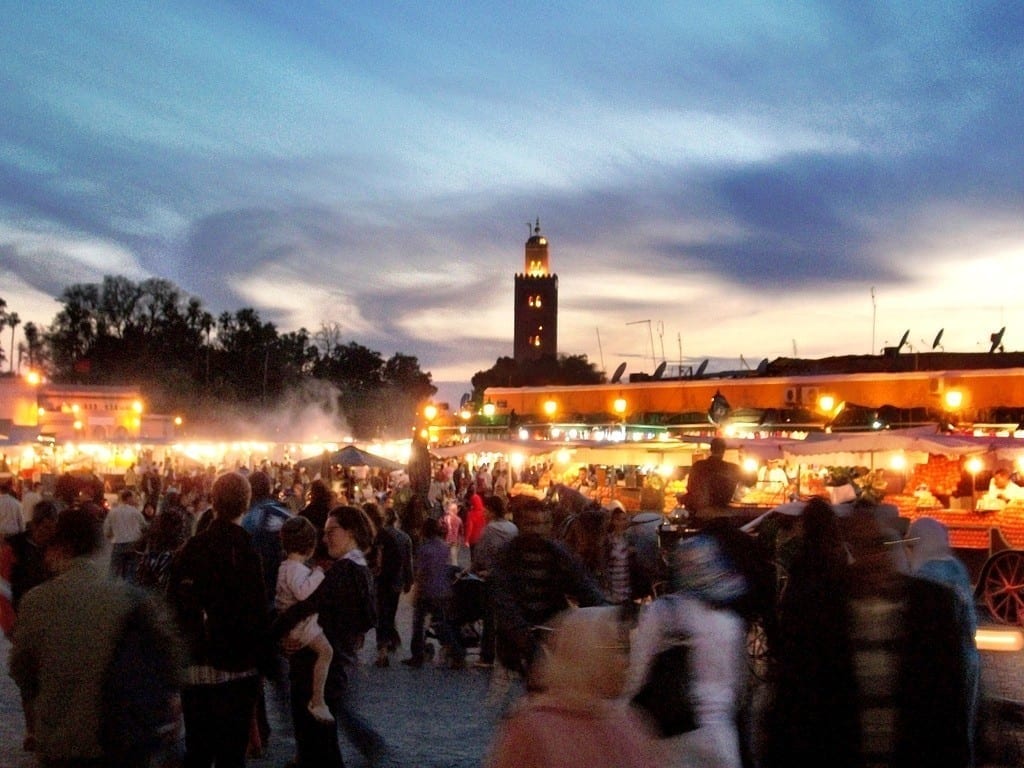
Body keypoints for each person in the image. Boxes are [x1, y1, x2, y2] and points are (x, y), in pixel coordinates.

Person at [764, 506, 971, 768]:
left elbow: (948, 702)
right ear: (848, 548)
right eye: (862, 547)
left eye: (879, 545)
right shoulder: (820, 609)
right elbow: (796, 703)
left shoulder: (931, 605)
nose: (872, 558)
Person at [10, 505, 182, 767]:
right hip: (120, 741)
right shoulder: (130, 598)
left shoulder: (36, 602)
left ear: (60, 548)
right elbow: (170, 660)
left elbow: (21, 671)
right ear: (98, 547)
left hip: (61, 744)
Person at [166, 471, 273, 768]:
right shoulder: (247, 550)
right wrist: (263, 660)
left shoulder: (191, 549)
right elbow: (257, 610)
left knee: (198, 751)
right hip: (237, 671)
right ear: (246, 504)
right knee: (231, 755)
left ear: (213, 502)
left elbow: (173, 608)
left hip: (197, 669)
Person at [274, 505, 386, 768]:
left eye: (331, 531)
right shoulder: (360, 569)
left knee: (320, 749)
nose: (325, 539)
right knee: (321, 747)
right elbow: (369, 619)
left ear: (350, 532)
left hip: (316, 671)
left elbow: (305, 607)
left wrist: (274, 635)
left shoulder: (342, 572)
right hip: (335, 667)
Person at [627, 531, 750, 768]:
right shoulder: (731, 622)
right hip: (721, 738)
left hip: (673, 736)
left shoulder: (663, 612)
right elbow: (737, 689)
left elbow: (636, 672)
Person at [485, 606, 658, 768]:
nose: (626, 661)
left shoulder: (628, 720)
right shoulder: (532, 730)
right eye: (615, 648)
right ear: (586, 655)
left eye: (624, 649)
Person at [490, 497, 606, 684]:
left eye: (544, 523)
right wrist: (526, 641)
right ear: (519, 524)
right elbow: (504, 603)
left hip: (554, 634)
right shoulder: (507, 556)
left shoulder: (559, 553)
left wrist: (607, 615)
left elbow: (584, 585)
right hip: (517, 643)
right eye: (531, 524)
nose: (538, 530)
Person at [907, 516, 981, 765]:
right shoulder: (956, 567)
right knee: (963, 726)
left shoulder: (926, 574)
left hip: (943, 662)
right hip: (968, 656)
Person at [275, 516, 334, 723]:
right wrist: (318, 573)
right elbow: (302, 593)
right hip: (302, 626)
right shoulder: (295, 569)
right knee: (326, 652)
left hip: (293, 625)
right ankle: (318, 700)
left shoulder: (284, 567)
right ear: (309, 546)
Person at [403, 517, 466, 669]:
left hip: (427, 591)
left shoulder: (424, 549)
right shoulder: (444, 546)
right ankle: (457, 652)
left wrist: (416, 591)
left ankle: (417, 655)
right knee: (441, 623)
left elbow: (421, 572)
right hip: (443, 590)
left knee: (418, 624)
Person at [472, 494, 519, 667]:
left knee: (489, 617)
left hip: (493, 577)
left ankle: (487, 655)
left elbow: (480, 554)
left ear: (491, 511)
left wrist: (474, 569)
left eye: (485, 509)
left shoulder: (490, 529)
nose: (483, 512)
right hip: (511, 577)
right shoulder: (513, 528)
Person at [242, 470, 293, 609]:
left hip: (255, 592)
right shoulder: (286, 514)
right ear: (269, 488)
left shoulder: (247, 519)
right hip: (287, 590)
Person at [371, 503, 413, 668]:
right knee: (390, 612)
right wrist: (409, 581)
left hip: (380, 580)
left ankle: (383, 649)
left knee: (381, 613)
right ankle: (389, 640)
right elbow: (408, 562)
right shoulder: (404, 538)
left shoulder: (378, 536)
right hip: (396, 580)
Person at [684, 437, 741, 520]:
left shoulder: (698, 466)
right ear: (724, 450)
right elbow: (751, 480)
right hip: (722, 514)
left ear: (710, 449)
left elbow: (689, 487)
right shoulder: (732, 468)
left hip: (701, 514)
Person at [104, 488, 147, 579]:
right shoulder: (135, 512)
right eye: (133, 498)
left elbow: (107, 530)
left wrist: (111, 537)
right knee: (131, 571)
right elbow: (144, 527)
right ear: (128, 498)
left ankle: (110, 589)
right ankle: (128, 589)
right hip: (133, 544)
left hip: (118, 544)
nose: (135, 500)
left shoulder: (113, 512)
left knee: (114, 572)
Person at [442, 499, 463, 566]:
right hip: (455, 539)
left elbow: (441, 527)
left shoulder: (445, 518)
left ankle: (444, 567)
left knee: (445, 556)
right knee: (454, 557)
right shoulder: (459, 520)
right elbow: (461, 530)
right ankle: (454, 569)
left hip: (446, 539)